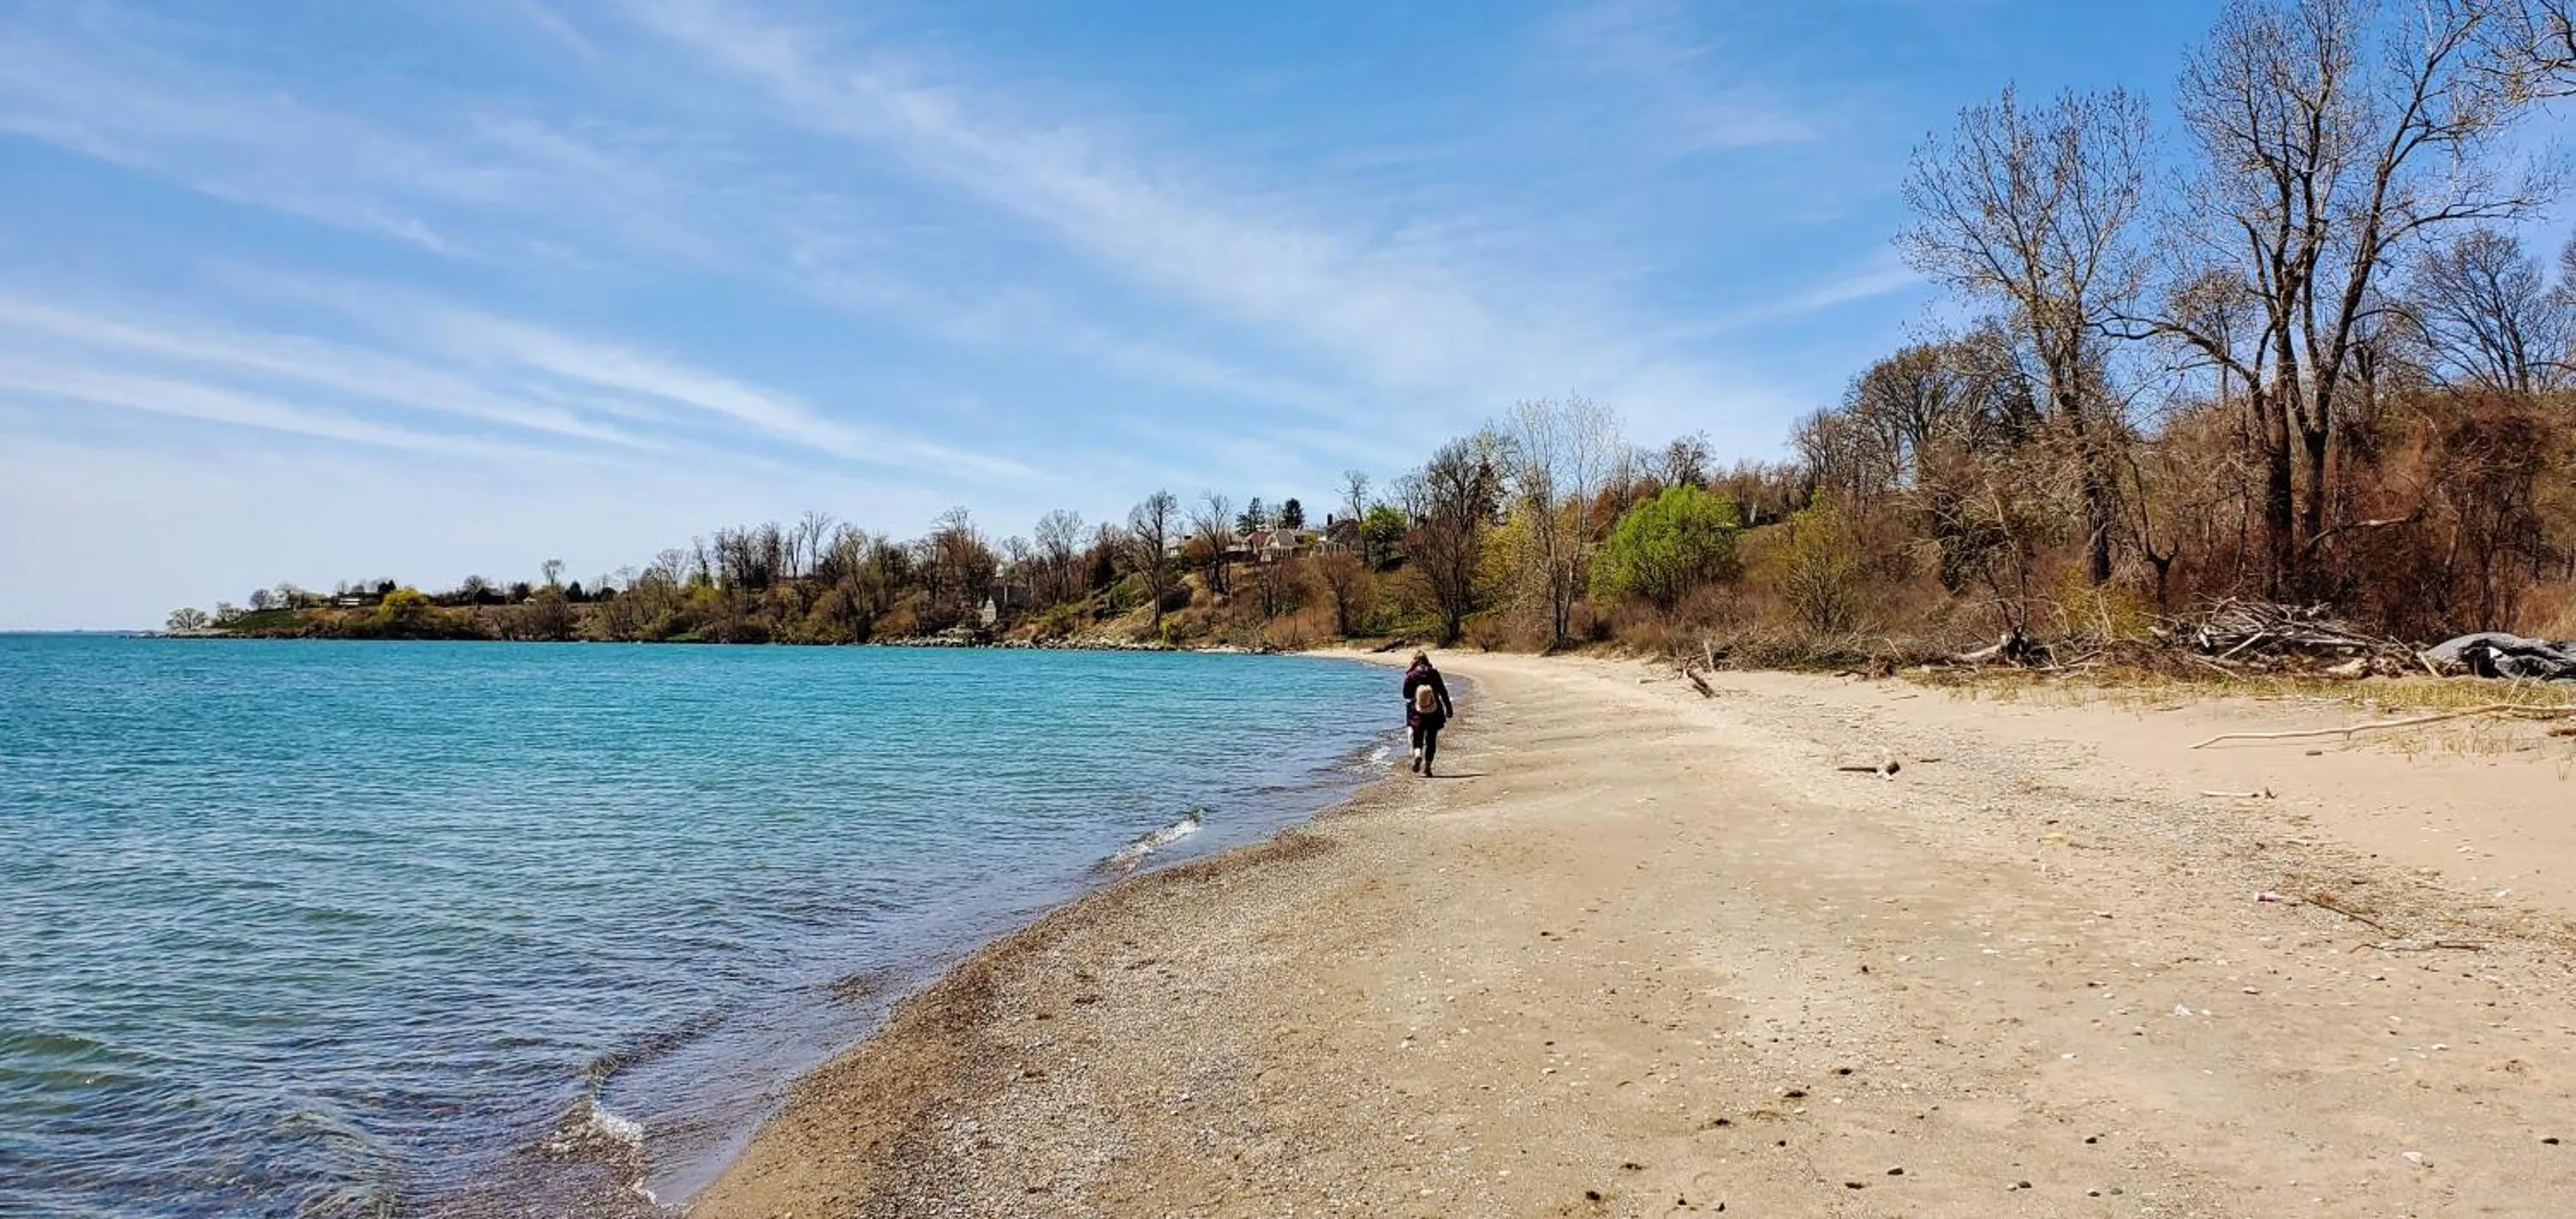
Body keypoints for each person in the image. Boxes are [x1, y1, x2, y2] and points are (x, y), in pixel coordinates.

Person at [1401, 652, 1455, 776]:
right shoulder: (1434, 673)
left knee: (1418, 736)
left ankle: (1418, 754)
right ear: (1426, 660)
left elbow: (1406, 695)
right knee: (1431, 739)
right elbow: (1443, 691)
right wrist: (1449, 708)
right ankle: (1428, 768)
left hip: (1417, 711)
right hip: (1434, 710)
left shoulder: (1411, 675)